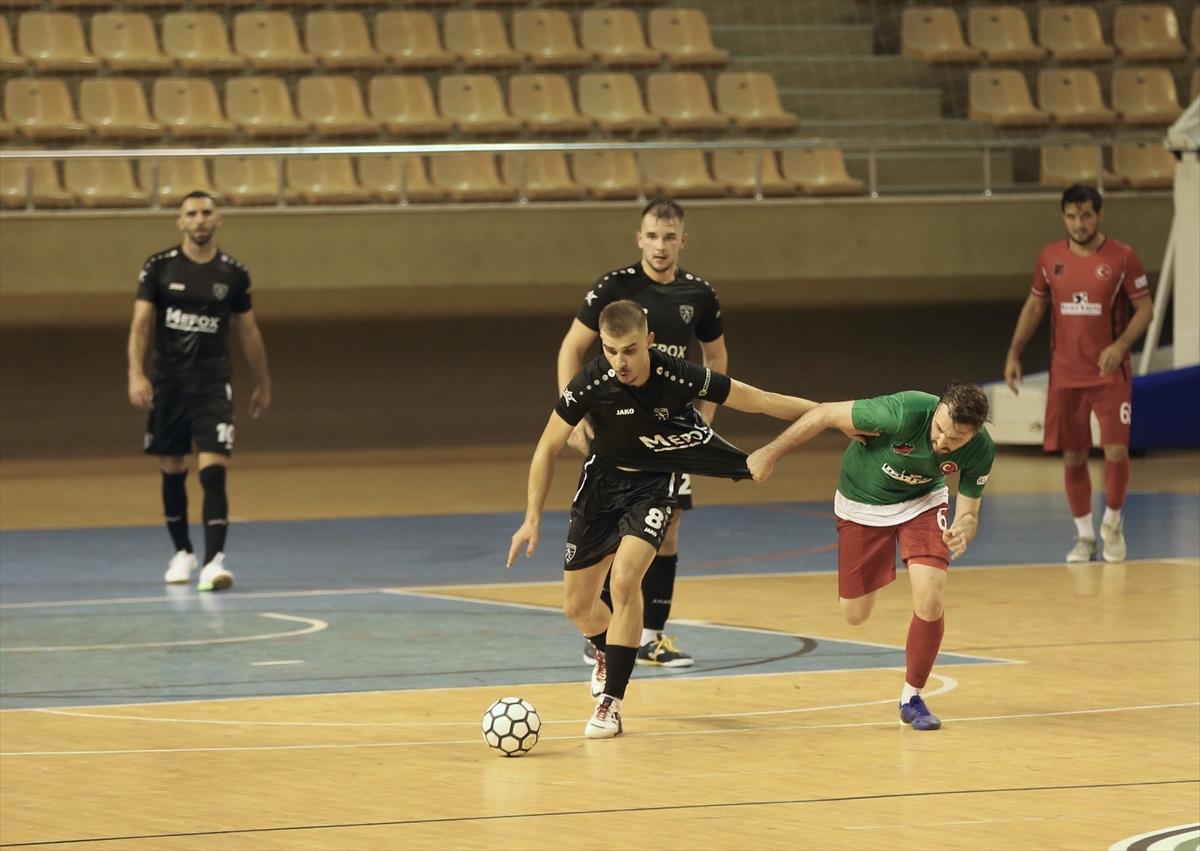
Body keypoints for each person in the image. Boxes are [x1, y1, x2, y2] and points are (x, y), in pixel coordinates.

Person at [509, 300, 821, 739]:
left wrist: (830, 413)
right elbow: (547, 448)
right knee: (577, 607)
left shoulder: (679, 374)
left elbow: (761, 400)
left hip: (653, 486)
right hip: (600, 487)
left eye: (631, 350)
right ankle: (606, 651)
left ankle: (610, 704)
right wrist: (531, 518)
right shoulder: (590, 382)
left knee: (624, 581)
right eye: (613, 350)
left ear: (650, 342)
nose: (621, 361)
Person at [747, 382, 995, 731]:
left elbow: (969, 513)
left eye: (955, 440)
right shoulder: (903, 411)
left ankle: (912, 697)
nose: (941, 443)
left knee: (930, 595)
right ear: (936, 410)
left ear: (976, 433)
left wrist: (963, 529)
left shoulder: (981, 450)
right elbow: (823, 412)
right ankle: (882, 566)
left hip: (922, 503)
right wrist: (768, 453)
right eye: (939, 430)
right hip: (861, 504)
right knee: (855, 614)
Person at [557, 198, 726, 668]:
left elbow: (718, 360)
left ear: (682, 241)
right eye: (652, 235)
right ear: (639, 238)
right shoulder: (615, 287)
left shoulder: (699, 294)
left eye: (669, 236)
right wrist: (574, 415)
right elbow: (571, 347)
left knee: (667, 531)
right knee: (614, 533)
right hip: (620, 430)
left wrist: (705, 419)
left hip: (671, 434)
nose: (660, 245)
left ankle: (652, 636)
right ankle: (603, 634)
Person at [127, 191, 271, 592]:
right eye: (192, 213)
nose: (200, 220)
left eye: (207, 212)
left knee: (214, 472)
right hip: (169, 384)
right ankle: (183, 553)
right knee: (172, 468)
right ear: (180, 222)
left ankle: (213, 563)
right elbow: (141, 324)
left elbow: (250, 331)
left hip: (212, 386)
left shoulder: (233, 274)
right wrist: (136, 374)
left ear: (218, 219)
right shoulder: (158, 267)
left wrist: (264, 382)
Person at [1004, 184, 1153, 564]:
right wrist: (1014, 352)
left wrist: (1119, 347)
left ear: (1100, 215)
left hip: (1110, 374)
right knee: (1073, 455)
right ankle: (1085, 536)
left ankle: (1114, 522)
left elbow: (1145, 311)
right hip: (1065, 375)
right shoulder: (1049, 257)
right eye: (1071, 216)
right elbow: (1035, 307)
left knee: (1116, 449)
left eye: (1086, 215)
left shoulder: (1123, 257)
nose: (1079, 223)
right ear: (1064, 217)